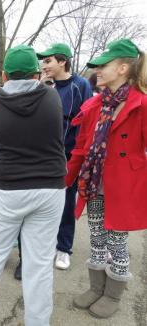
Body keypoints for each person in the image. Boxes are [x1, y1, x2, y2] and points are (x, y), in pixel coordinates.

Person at [0, 45, 66, 326]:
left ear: (4, 75)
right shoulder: (51, 96)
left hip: (10, 188)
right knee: (40, 262)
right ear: (36, 73)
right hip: (50, 187)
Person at [66, 38, 147, 318]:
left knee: (117, 242)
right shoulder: (95, 105)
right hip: (94, 184)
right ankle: (96, 287)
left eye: (104, 65)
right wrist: (65, 179)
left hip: (123, 187)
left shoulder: (141, 104)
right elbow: (81, 147)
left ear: (123, 68)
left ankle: (113, 294)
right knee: (97, 237)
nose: (98, 70)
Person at [37, 43, 93, 270]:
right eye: (43, 62)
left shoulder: (80, 85)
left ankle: (63, 247)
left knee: (67, 200)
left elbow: (87, 121)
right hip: (42, 155)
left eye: (48, 61)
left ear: (62, 61)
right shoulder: (43, 86)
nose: (44, 65)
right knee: (43, 200)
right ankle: (45, 243)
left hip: (69, 155)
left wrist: (82, 156)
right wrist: (40, 88)